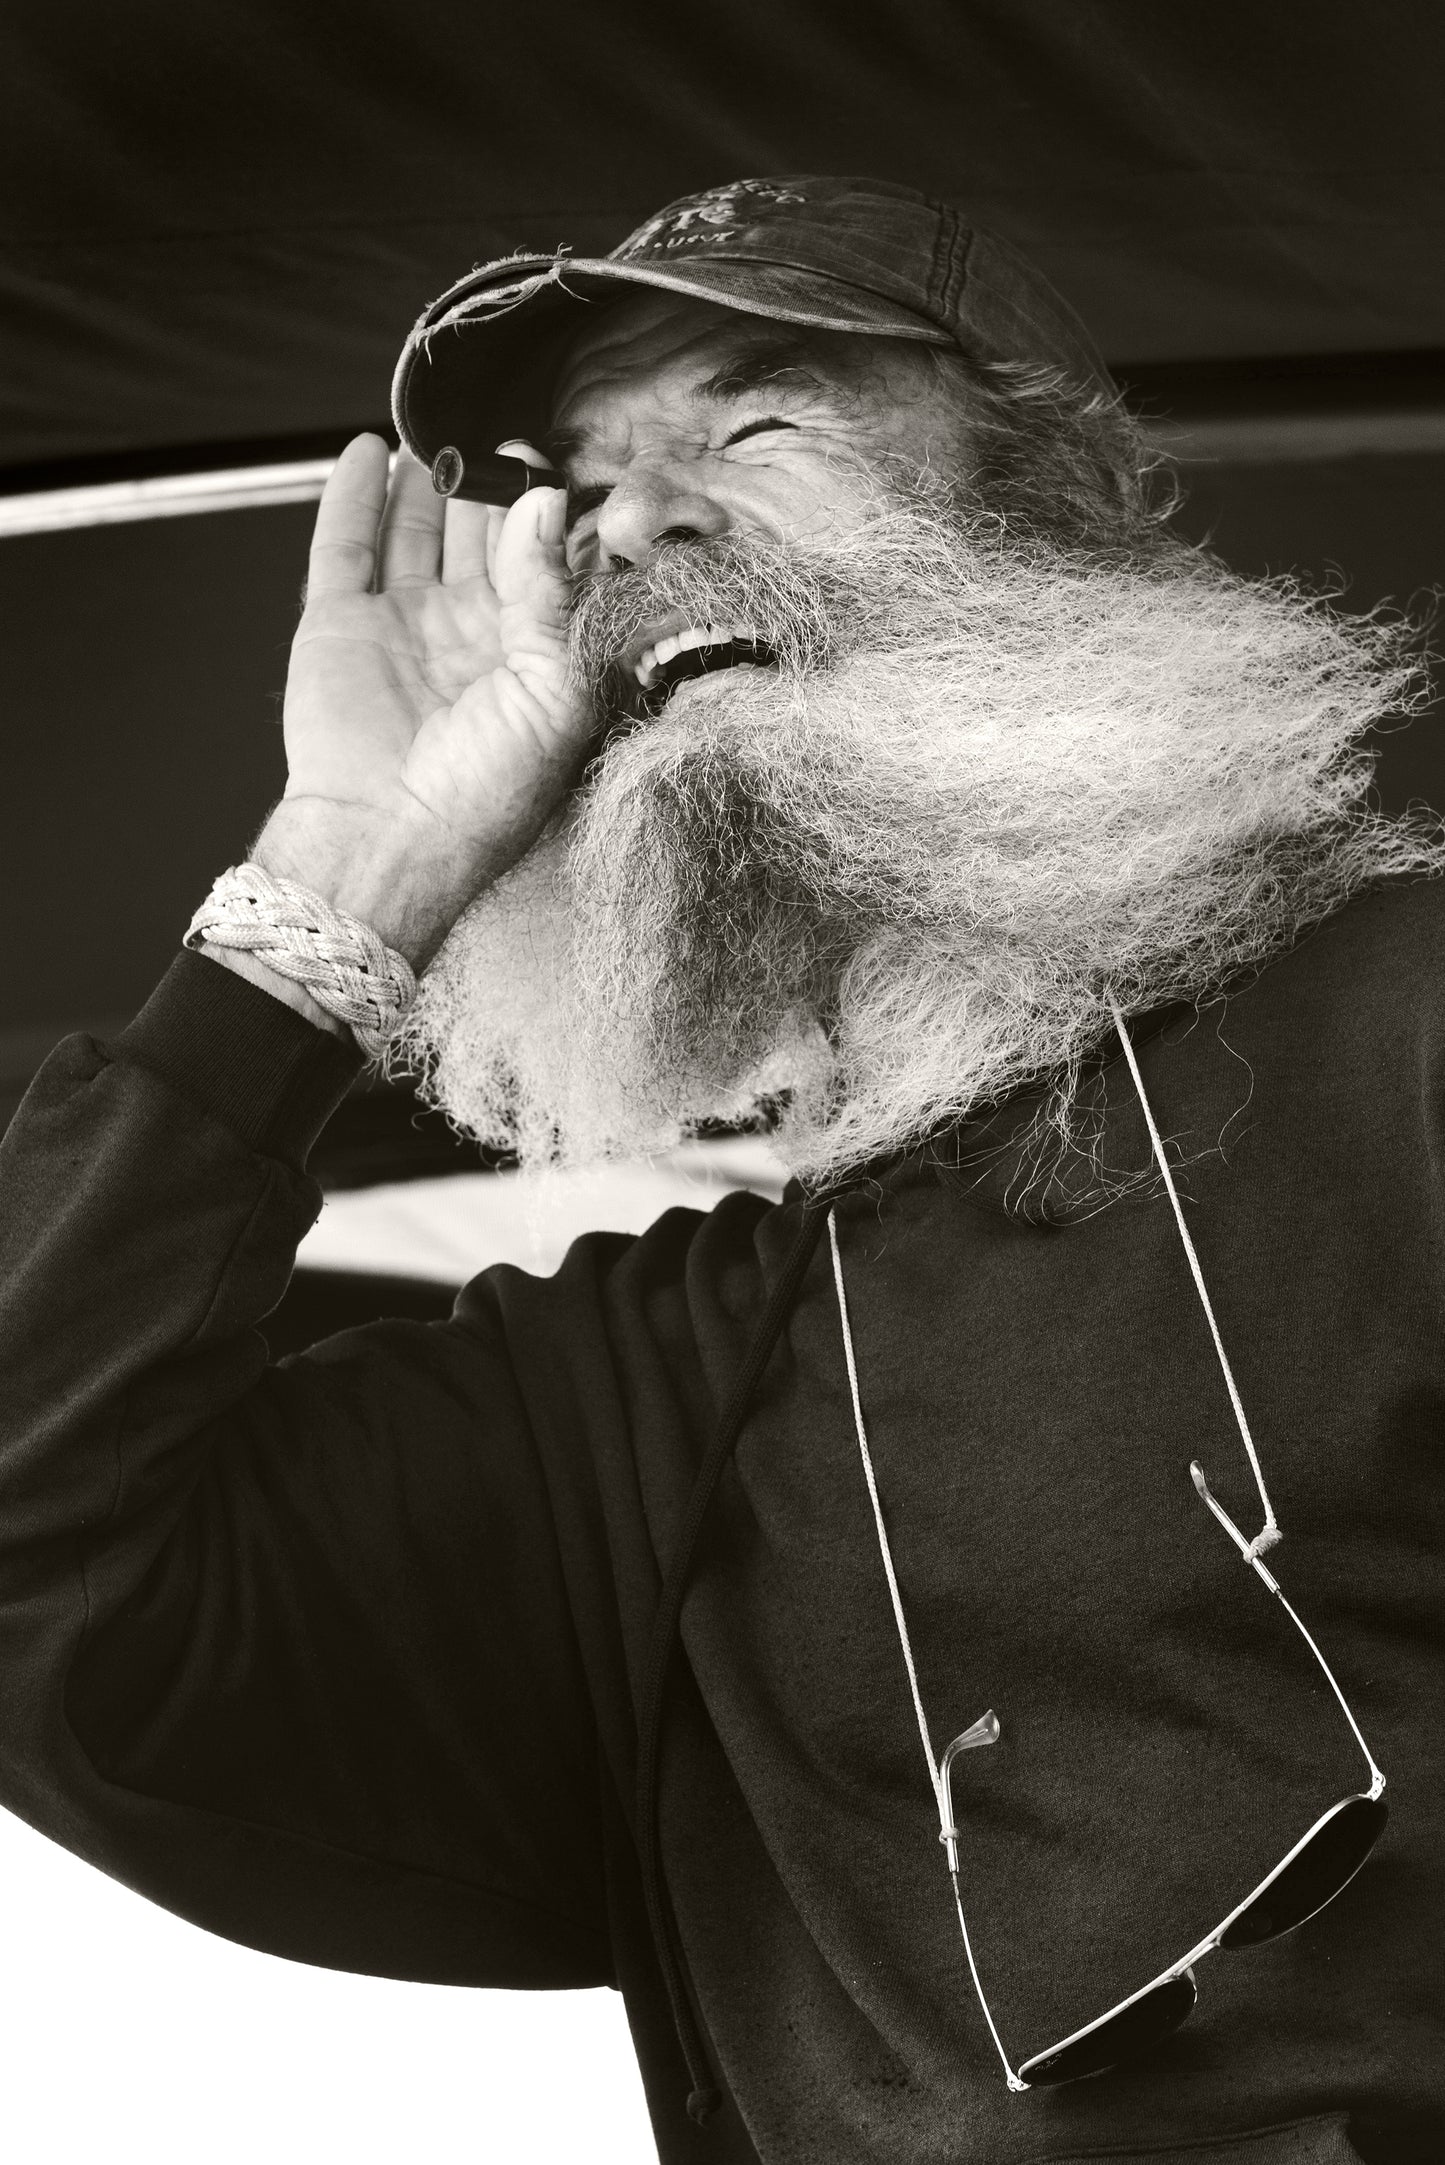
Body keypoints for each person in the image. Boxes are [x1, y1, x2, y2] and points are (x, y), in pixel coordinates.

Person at [0, 176, 1440, 2165]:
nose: (635, 526)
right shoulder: (654, 1402)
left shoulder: (1410, 1022)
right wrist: (353, 868)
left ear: (1065, 504)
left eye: (757, 428)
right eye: (571, 492)